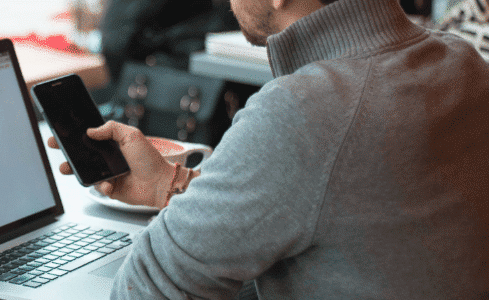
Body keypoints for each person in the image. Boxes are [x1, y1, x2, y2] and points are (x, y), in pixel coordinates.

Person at [47, 0, 489, 298]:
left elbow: (147, 285)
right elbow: (340, 213)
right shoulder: (461, 62)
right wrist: (173, 184)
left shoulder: (305, 109)